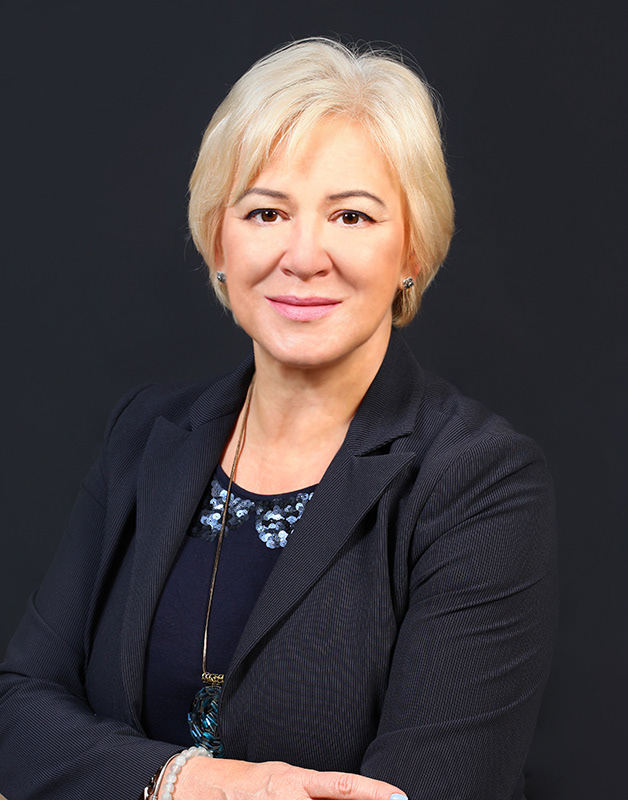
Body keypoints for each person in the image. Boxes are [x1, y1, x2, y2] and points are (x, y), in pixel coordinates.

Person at [0, 38, 557, 800]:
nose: (303, 256)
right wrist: (190, 783)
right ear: (218, 241)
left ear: (412, 251)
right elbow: (17, 714)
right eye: (266, 212)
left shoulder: (480, 483)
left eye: (351, 216)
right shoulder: (144, 434)